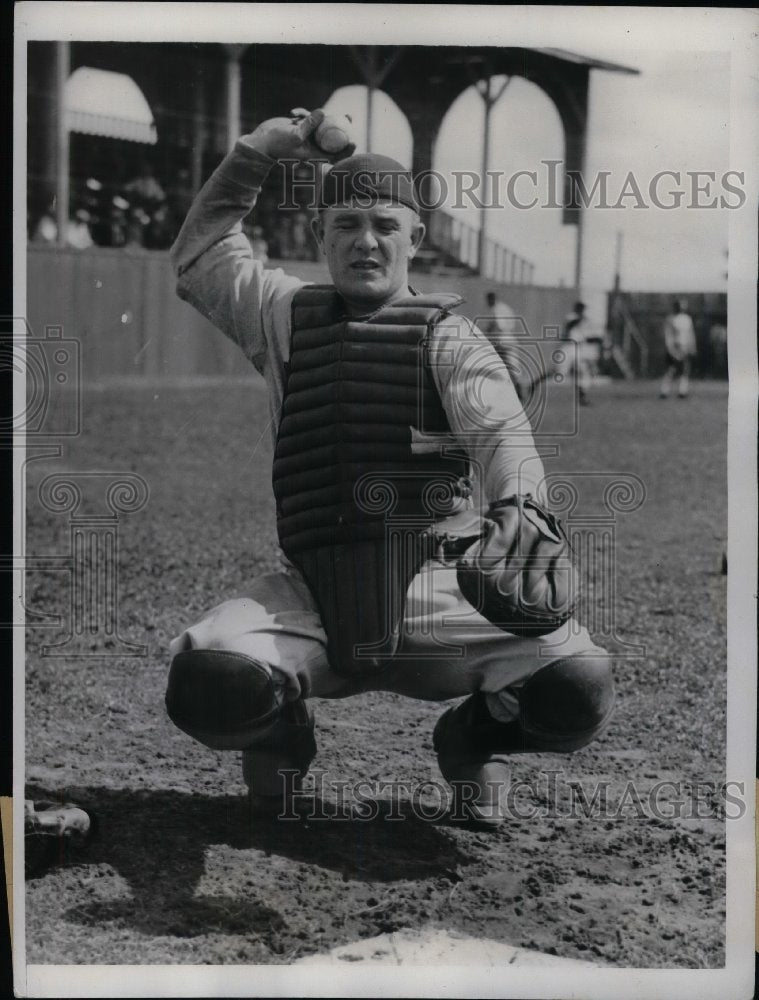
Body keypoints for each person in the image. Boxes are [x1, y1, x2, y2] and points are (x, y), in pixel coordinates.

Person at [164, 108, 614, 828]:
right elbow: (199, 257)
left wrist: (519, 512)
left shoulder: (452, 340)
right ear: (321, 236)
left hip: (439, 593)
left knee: (575, 685)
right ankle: (285, 730)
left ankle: (470, 738)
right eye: (345, 225)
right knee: (210, 680)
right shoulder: (282, 316)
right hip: (316, 592)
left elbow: (504, 439)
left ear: (415, 238)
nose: (364, 241)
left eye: (382, 225)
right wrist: (256, 151)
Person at [481, 291, 527, 404]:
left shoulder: (496, 309)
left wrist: (487, 330)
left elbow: (499, 325)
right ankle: (518, 392)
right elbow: (510, 323)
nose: (487, 303)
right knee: (512, 367)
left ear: (491, 299)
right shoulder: (506, 307)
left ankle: (514, 392)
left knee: (493, 365)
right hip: (509, 338)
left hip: (501, 340)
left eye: (488, 300)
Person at [659, 299, 697, 399]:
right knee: (670, 369)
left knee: (685, 369)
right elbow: (668, 334)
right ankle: (664, 391)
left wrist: (692, 346)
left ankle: (682, 391)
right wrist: (670, 348)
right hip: (675, 346)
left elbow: (690, 333)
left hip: (685, 347)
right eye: (680, 306)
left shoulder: (687, 319)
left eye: (683, 306)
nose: (681, 308)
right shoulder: (670, 319)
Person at [560, 301, 595, 406]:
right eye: (581, 309)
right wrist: (581, 318)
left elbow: (584, 336)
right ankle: (534, 384)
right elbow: (570, 325)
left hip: (577, 349)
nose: (582, 311)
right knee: (558, 372)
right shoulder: (572, 317)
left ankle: (582, 398)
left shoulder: (583, 321)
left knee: (584, 373)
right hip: (568, 348)